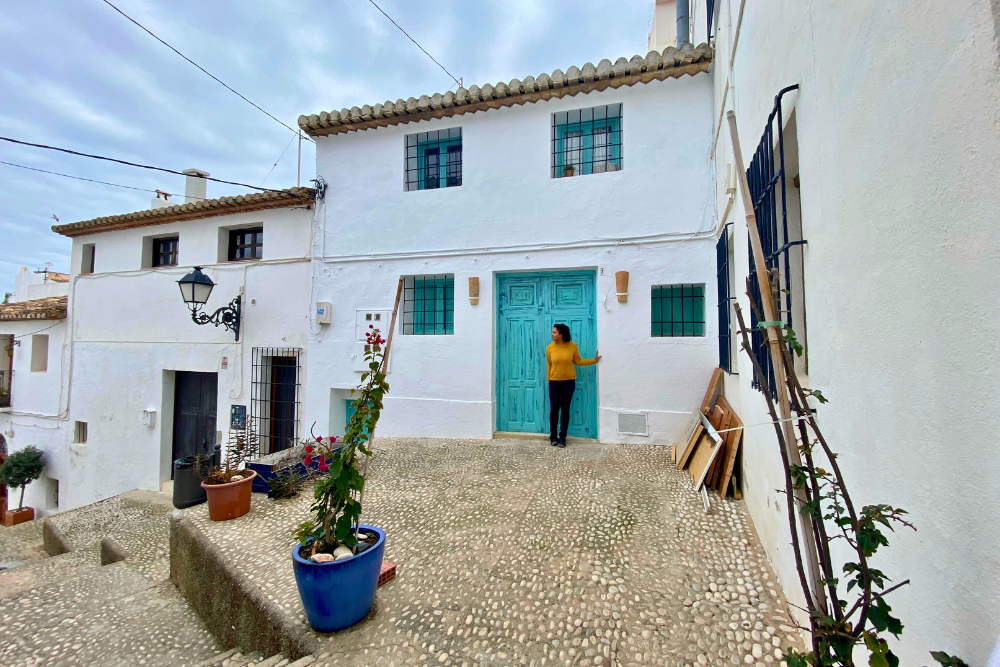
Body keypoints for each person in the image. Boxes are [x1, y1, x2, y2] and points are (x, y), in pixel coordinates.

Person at [546, 323, 601, 447]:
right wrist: (549, 380)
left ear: (561, 334)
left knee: (565, 408)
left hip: (568, 382)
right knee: (554, 409)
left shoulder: (572, 346)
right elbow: (549, 365)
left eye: (554, 332)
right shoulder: (550, 347)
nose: (552, 334)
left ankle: (563, 436)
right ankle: (553, 435)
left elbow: (578, 361)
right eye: (552, 332)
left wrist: (594, 360)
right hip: (554, 382)